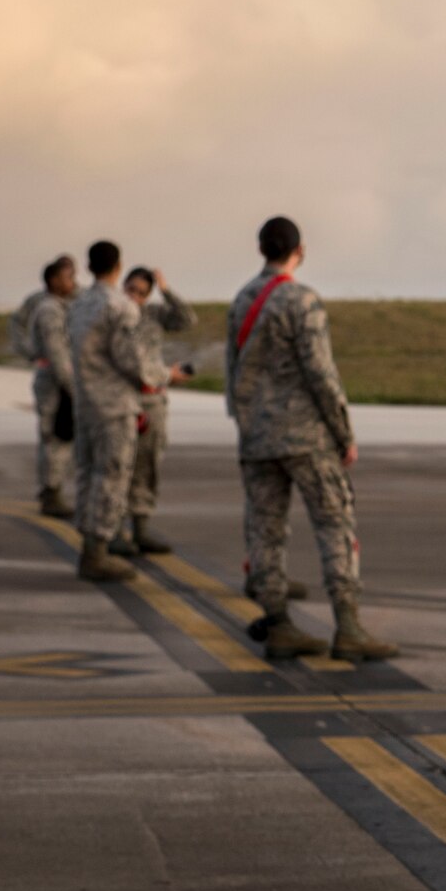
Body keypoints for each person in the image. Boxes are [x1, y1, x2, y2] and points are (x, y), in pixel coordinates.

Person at [225, 216, 394, 662]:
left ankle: (279, 623)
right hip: (305, 436)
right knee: (334, 525)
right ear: (300, 250)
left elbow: (232, 369)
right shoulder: (302, 301)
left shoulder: (243, 300)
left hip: (257, 437)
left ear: (261, 248)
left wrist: (244, 423)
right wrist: (344, 433)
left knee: (265, 531)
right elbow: (321, 373)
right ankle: (349, 626)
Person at [67, 241, 184, 582]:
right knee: (112, 476)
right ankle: (98, 552)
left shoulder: (78, 305)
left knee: (88, 474)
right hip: (115, 406)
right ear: (118, 267)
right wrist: (167, 375)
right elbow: (133, 362)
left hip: (86, 405)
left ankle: (89, 543)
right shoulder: (120, 307)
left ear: (89, 267)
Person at [119, 266, 198, 554]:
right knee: (120, 466)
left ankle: (141, 527)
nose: (135, 297)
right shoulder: (115, 316)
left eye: (142, 292)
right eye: (131, 290)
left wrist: (166, 290)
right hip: (126, 397)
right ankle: (115, 528)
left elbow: (187, 318)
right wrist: (168, 374)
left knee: (148, 465)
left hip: (153, 400)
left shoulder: (153, 315)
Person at [16, 256, 78, 516]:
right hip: (55, 382)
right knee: (54, 436)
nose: (73, 282)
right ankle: (50, 493)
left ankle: (52, 489)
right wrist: (74, 389)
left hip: (58, 379)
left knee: (60, 437)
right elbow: (57, 353)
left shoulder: (61, 306)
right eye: (68, 277)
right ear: (53, 280)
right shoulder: (50, 310)